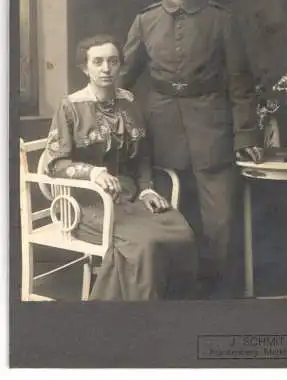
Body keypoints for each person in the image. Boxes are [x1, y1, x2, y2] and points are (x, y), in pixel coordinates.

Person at [120, 0, 263, 298]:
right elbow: (124, 75)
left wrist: (246, 136)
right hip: (161, 125)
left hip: (212, 124)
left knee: (220, 218)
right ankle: (175, 293)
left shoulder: (221, 19)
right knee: (169, 211)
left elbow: (240, 82)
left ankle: (222, 297)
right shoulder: (146, 20)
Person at [43, 34, 198, 301]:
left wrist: (147, 190)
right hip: (84, 203)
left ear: (119, 66)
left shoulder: (129, 102)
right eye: (98, 61)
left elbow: (143, 156)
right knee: (144, 245)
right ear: (85, 67)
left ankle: (174, 309)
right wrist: (92, 172)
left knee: (181, 231)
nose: (106, 68)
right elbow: (56, 164)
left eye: (113, 62)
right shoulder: (70, 107)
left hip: (129, 198)